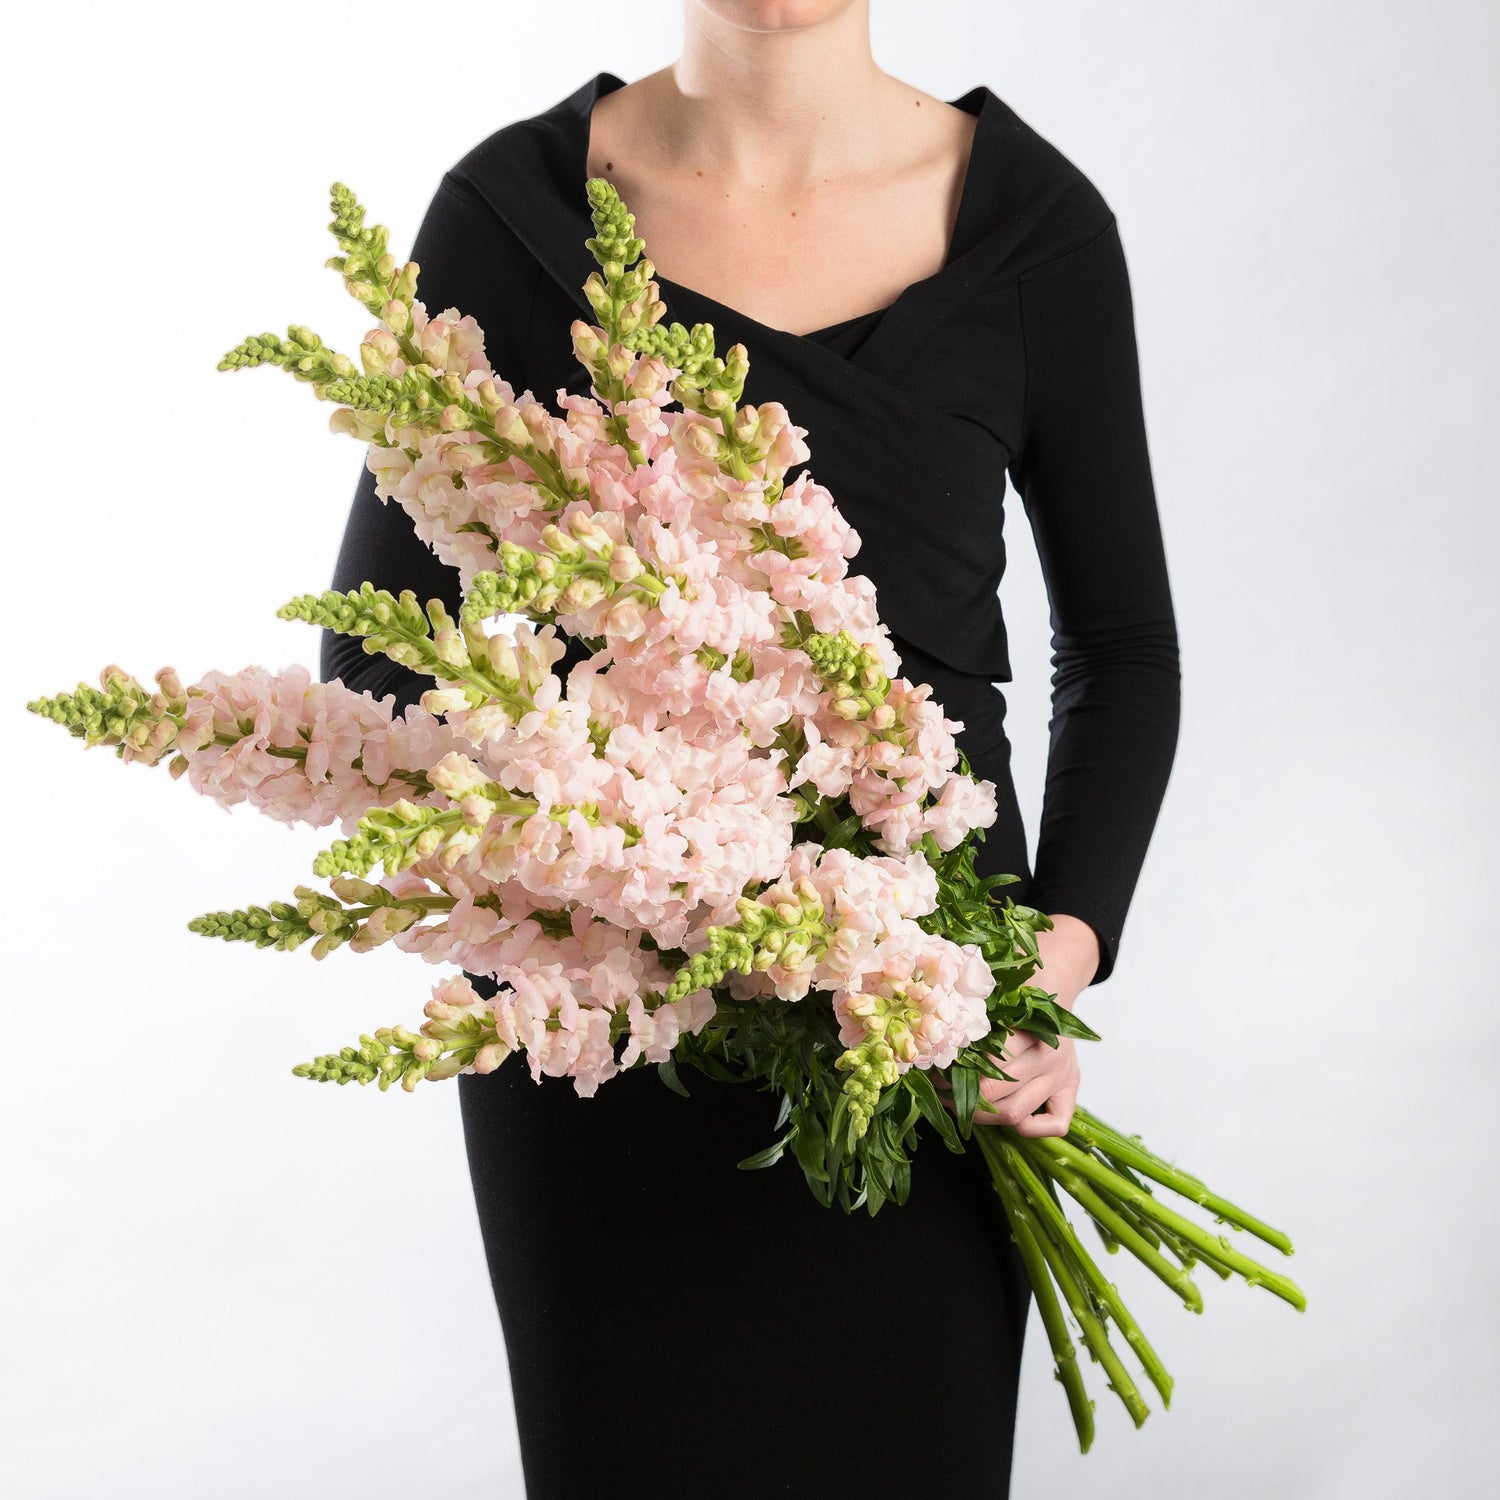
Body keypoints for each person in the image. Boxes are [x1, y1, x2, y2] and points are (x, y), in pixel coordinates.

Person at [321, 6, 1180, 1495]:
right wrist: (633, 853)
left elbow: (1123, 650)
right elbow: (381, 652)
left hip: (923, 1010)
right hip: (599, 1019)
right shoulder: (511, 221)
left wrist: (1054, 960)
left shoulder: (1037, 228)